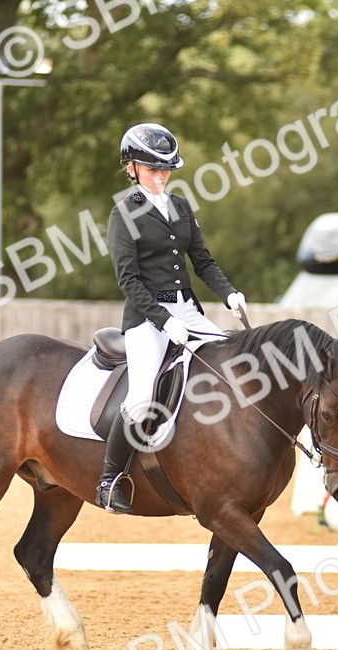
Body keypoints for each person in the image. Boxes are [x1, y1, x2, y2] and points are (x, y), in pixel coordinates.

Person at [97, 123, 246, 513]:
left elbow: (203, 261)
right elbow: (128, 280)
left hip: (188, 311)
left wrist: (228, 292)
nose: (161, 176)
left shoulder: (180, 207)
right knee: (143, 394)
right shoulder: (123, 214)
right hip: (147, 318)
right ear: (131, 168)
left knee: (234, 367)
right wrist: (164, 320)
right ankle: (110, 480)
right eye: (152, 169)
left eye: (166, 169)